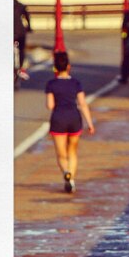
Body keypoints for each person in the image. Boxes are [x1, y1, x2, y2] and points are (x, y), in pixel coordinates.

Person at [45, 51, 95, 193]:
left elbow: (50, 105)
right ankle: (71, 179)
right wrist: (90, 124)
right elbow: (83, 104)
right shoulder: (76, 83)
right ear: (68, 66)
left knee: (61, 154)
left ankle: (67, 174)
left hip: (58, 120)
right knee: (72, 151)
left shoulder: (51, 84)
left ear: (55, 68)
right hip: (74, 118)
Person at [14, 0, 32, 80]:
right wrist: (29, 27)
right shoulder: (20, 5)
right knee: (21, 49)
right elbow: (27, 16)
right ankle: (20, 68)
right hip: (20, 32)